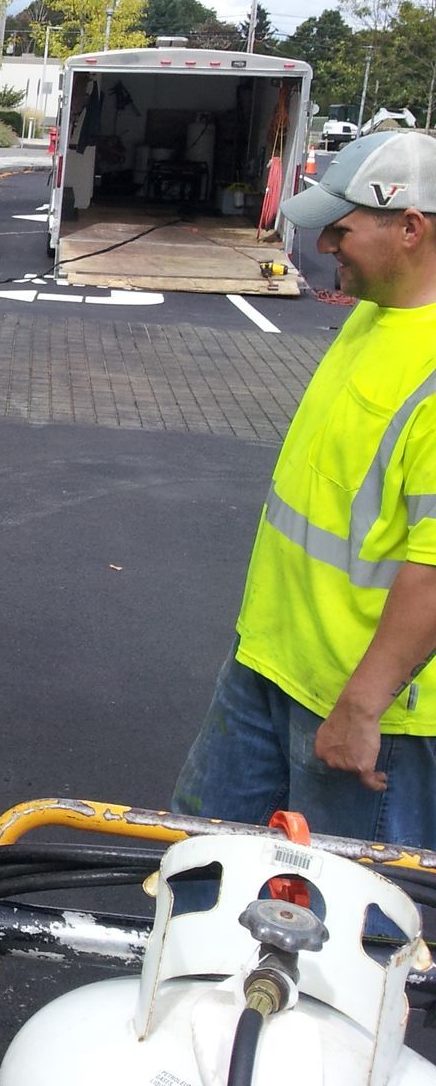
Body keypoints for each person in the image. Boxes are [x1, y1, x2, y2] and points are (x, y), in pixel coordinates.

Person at [173, 130, 436, 846]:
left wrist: (363, 705)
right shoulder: (376, 318)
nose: (324, 248)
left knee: (345, 924)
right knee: (206, 873)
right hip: (268, 665)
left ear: (410, 228)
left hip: (364, 708)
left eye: (340, 230)